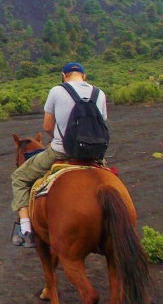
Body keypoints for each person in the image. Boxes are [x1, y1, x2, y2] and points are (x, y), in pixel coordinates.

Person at [10, 62, 108, 247]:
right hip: (94, 155)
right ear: (84, 76)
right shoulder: (100, 94)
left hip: (61, 152)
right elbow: (101, 125)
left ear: (64, 75)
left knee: (19, 177)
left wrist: (59, 139)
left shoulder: (56, 91)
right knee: (109, 178)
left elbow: (47, 126)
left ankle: (26, 230)